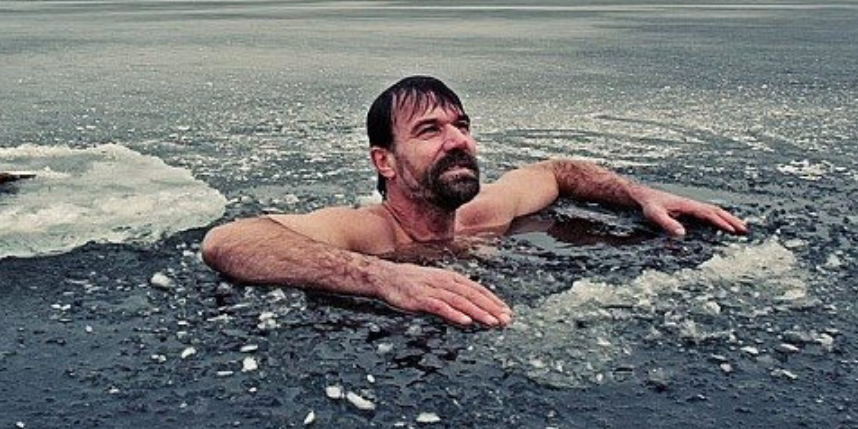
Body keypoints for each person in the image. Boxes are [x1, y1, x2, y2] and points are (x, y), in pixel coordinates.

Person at [202, 75, 747, 328]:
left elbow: (558, 172)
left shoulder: (484, 213)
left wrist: (642, 195)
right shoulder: (368, 234)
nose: (458, 140)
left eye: (461, 126)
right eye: (430, 130)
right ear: (384, 162)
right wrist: (380, 276)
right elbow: (230, 241)